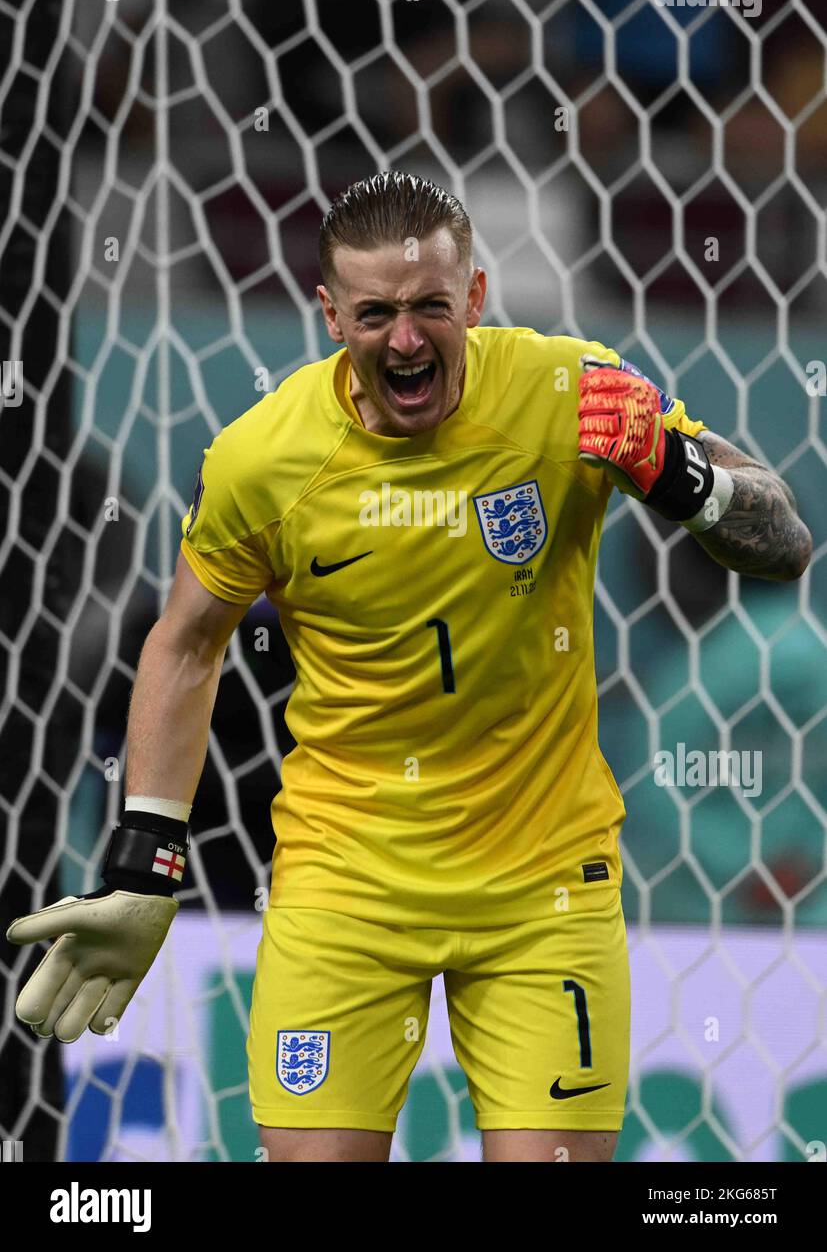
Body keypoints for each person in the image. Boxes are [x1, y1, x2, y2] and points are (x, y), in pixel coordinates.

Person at [7, 172, 812, 1163]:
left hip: (542, 881)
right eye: (375, 311)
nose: (403, 338)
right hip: (346, 878)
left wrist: (679, 475)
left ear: (472, 298)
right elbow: (185, 641)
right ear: (329, 312)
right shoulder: (263, 458)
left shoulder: (569, 391)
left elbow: (780, 539)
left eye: (430, 305)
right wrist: (143, 862)